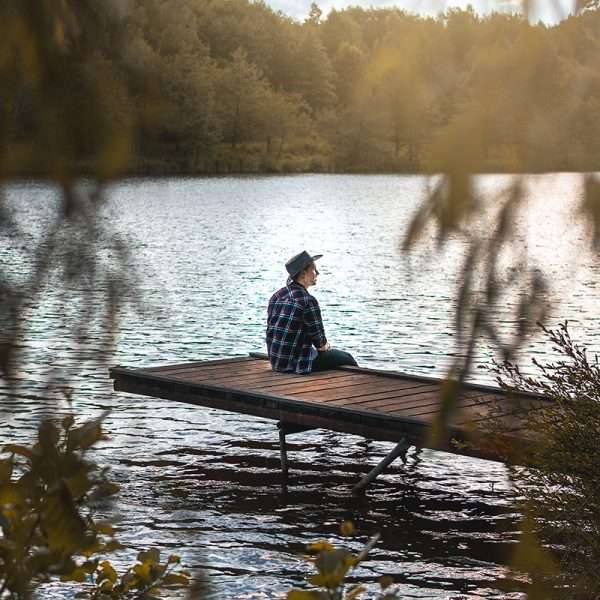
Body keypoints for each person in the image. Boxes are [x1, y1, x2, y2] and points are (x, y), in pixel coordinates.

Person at [266, 250, 358, 374]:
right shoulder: (308, 300)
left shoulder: (277, 295)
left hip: (276, 360)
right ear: (303, 274)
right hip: (296, 364)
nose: (318, 273)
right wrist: (326, 347)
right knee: (347, 358)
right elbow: (320, 343)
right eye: (314, 270)